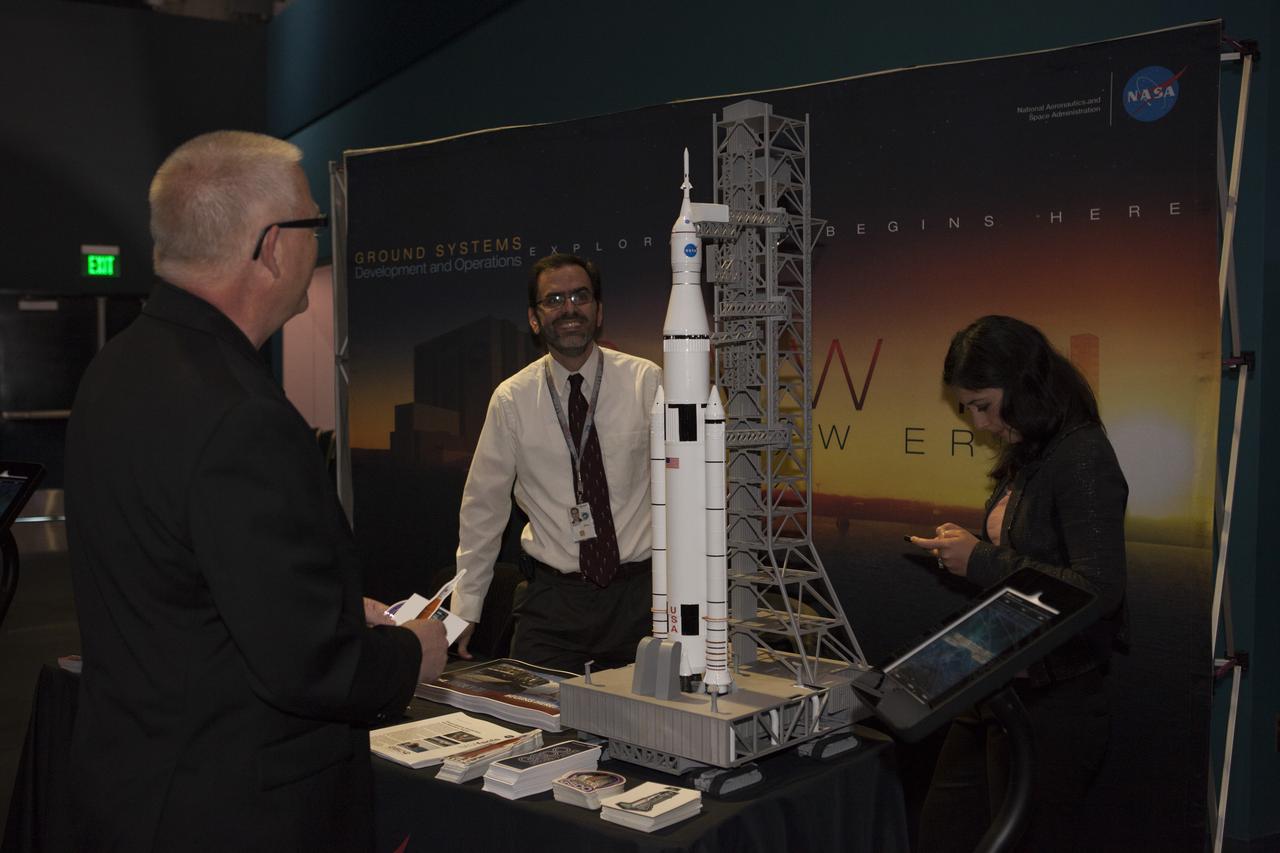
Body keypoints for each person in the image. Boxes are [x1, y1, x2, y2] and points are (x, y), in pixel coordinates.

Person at [65, 131, 449, 852]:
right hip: (235, 811)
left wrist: (330, 607)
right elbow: (306, 665)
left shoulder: (117, 369)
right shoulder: (239, 413)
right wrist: (411, 653)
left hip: (132, 792)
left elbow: (186, 585)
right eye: (315, 223)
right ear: (272, 246)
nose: (318, 242)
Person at [908, 315, 1128, 853]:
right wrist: (973, 547)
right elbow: (1031, 556)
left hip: (1053, 704)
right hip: (999, 685)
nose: (978, 423)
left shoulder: (1082, 455)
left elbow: (1099, 589)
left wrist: (980, 560)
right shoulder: (1032, 451)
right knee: (943, 831)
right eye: (969, 409)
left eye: (982, 405)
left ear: (1024, 386)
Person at [451, 253, 661, 672]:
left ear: (598, 311)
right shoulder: (512, 400)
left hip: (643, 603)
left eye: (580, 296)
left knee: (656, 730)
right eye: (554, 299)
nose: (569, 308)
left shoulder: (647, 382)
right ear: (534, 318)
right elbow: (484, 509)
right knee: (537, 724)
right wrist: (465, 608)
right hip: (554, 606)